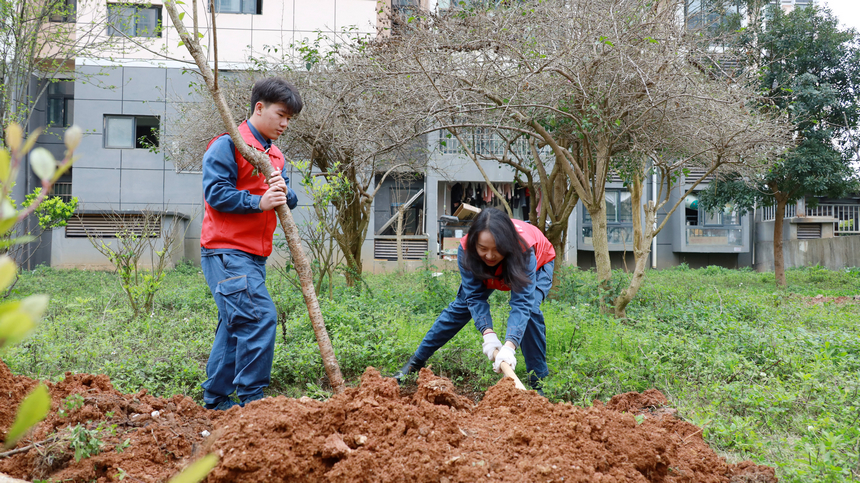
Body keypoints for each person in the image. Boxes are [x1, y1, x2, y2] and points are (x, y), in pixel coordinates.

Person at [199, 77, 301, 410]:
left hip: (254, 256)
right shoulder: (229, 144)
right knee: (258, 318)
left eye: (289, 119)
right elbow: (215, 194)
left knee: (237, 325)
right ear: (259, 108)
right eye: (281, 114)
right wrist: (258, 202)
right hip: (225, 251)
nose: (285, 124)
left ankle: (216, 403)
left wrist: (286, 195)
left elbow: (285, 193)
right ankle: (253, 404)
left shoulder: (275, 155)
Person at [395, 208, 556, 392]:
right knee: (462, 306)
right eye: (483, 248)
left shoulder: (524, 251)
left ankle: (539, 384)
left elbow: (522, 303)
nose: (489, 255)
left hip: (539, 264)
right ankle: (413, 364)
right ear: (474, 244)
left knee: (531, 312)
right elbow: (474, 297)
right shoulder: (466, 250)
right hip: (496, 263)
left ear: (507, 244)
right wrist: (488, 335)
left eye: (497, 249)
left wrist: (510, 345)